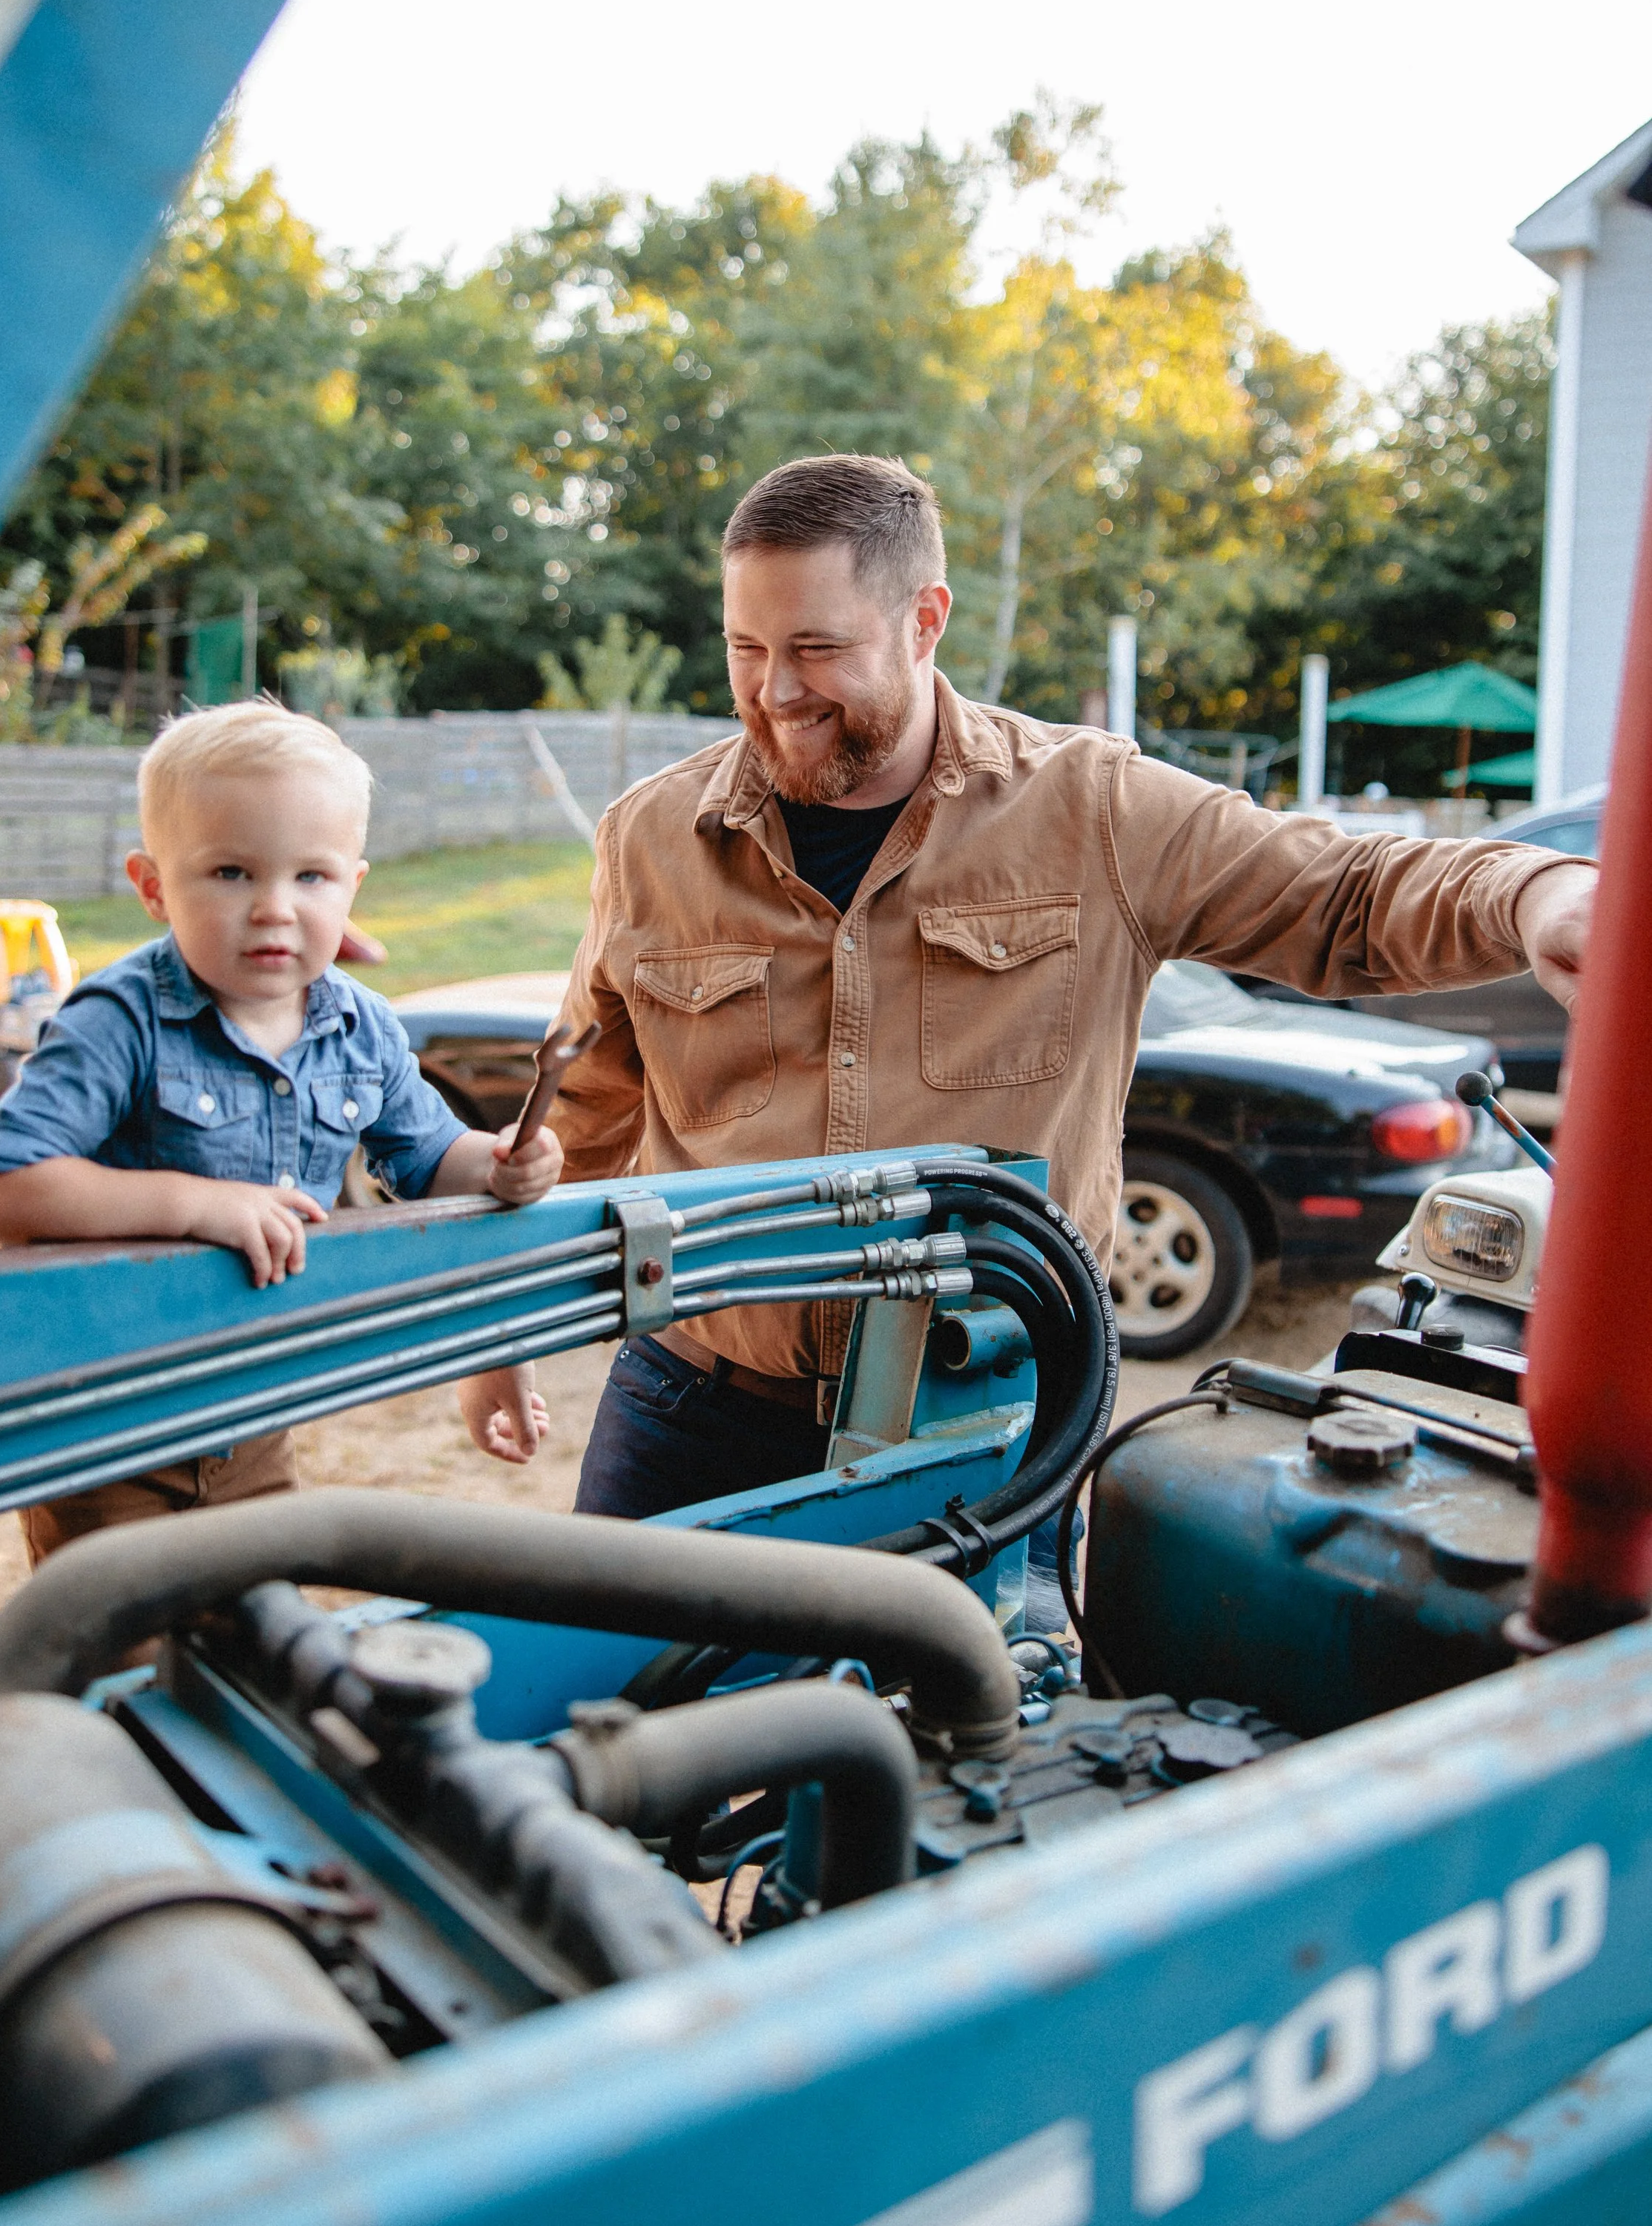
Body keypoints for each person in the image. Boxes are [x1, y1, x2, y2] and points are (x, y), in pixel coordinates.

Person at [542, 452, 1596, 1524]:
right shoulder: (651, 839)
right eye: (747, 647)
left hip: (983, 1422)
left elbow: (1347, 894)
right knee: (606, 1687)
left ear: (924, 620)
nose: (775, 690)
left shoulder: (1092, 809)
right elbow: (580, 1107)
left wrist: (1536, 893)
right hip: (692, 1406)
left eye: (818, 648)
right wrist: (509, 1326)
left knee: (959, 1696)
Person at [0, 700, 562, 1561]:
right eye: (232, 873)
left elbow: (435, 1161)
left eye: (310, 877)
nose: (275, 908)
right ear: (153, 885)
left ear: (352, 885)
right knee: (116, 1649)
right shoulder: (119, 1021)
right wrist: (197, 1205)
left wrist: (506, 1163)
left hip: (255, 1413)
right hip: (104, 1426)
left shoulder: (363, 1028)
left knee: (253, 1641)